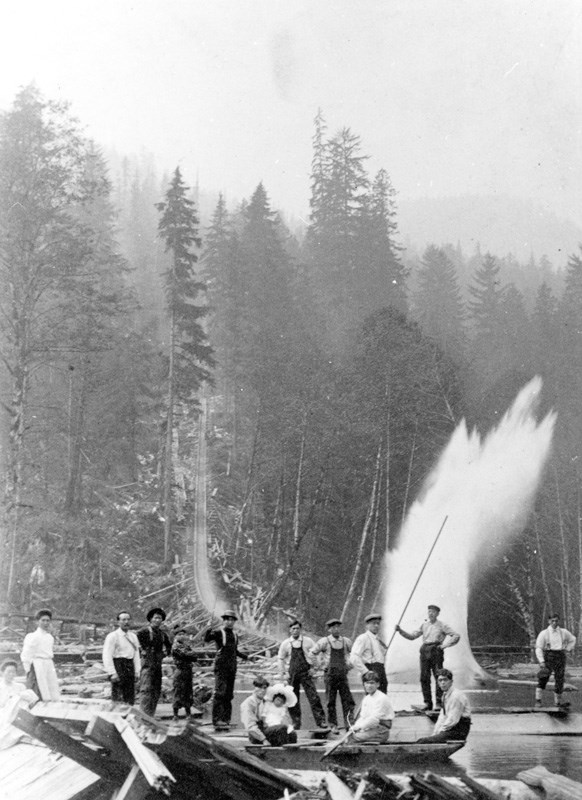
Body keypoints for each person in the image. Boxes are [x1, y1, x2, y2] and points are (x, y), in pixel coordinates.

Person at [395, 604, 460, 710]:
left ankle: (439, 703)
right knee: (424, 677)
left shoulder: (442, 625)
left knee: (438, 676)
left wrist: (444, 646)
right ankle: (427, 703)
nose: (431, 613)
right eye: (429, 611)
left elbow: (456, 636)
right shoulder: (424, 625)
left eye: (433, 611)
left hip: (436, 651)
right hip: (424, 650)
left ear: (438, 613)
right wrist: (400, 631)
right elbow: (412, 636)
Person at [277, 619, 327, 730]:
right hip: (292, 674)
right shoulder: (285, 644)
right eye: (293, 628)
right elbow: (280, 659)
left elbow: (317, 654)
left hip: (306, 673)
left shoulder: (308, 641)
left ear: (300, 630)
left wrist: (315, 668)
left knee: (314, 697)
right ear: (290, 630)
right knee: (292, 699)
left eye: (297, 628)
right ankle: (296, 723)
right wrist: (283, 674)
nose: (295, 631)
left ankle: (321, 722)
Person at [204, 610, 248, 731]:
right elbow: (207, 639)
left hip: (232, 667)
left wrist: (244, 656)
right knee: (220, 693)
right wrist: (208, 628)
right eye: (227, 619)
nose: (229, 622)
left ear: (234, 622)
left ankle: (226, 719)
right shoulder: (219, 632)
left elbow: (234, 650)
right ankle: (217, 720)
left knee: (229, 694)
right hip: (221, 666)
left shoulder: (234, 635)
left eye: (232, 620)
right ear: (224, 621)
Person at [310, 618, 355, 733]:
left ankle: (349, 724)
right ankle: (333, 725)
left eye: (338, 627)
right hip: (330, 675)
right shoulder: (324, 641)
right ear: (329, 629)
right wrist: (320, 666)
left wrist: (350, 665)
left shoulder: (346, 641)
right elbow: (312, 653)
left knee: (347, 700)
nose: (336, 629)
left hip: (342, 675)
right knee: (330, 701)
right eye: (333, 627)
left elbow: (355, 654)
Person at [416, 668, 471, 743]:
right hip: (450, 729)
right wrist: (435, 733)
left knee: (423, 741)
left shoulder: (456, 696)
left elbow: (452, 720)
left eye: (445, 680)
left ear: (451, 682)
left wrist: (440, 732)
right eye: (440, 680)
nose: (443, 683)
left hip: (458, 731)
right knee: (423, 740)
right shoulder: (445, 695)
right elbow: (442, 717)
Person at [535, 612, 576, 707]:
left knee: (559, 679)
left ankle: (557, 703)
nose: (554, 623)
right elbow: (538, 648)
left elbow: (573, 639)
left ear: (559, 621)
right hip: (548, 656)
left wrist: (567, 649)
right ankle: (538, 701)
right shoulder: (544, 633)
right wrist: (541, 661)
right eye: (552, 621)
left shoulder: (564, 632)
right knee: (543, 677)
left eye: (556, 621)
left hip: (560, 656)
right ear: (549, 621)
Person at [137, 607, 172, 717]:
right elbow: (135, 641)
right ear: (150, 619)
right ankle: (143, 715)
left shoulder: (162, 634)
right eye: (156, 618)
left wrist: (164, 654)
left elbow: (169, 646)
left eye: (160, 618)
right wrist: (141, 651)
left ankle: (150, 715)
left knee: (156, 690)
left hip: (157, 663)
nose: (158, 620)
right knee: (146, 688)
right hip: (147, 663)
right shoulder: (144, 631)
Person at [20, 609, 61, 701]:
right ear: (37, 622)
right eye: (43, 620)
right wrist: (28, 669)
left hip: (48, 664)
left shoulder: (49, 637)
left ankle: (50, 705)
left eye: (47, 621)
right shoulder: (32, 636)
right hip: (37, 665)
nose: (45, 623)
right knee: (38, 688)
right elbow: (26, 654)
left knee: (51, 687)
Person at [102, 611, 141, 704]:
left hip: (129, 666)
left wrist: (137, 671)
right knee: (118, 696)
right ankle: (117, 717)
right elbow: (107, 655)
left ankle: (129, 715)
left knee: (130, 695)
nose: (126, 622)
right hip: (118, 666)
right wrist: (112, 672)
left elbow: (136, 654)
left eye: (128, 619)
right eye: (123, 620)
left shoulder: (133, 637)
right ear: (118, 622)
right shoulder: (112, 636)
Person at [351, 671, 394, 743]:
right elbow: (363, 717)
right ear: (364, 684)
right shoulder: (366, 698)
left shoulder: (381, 698)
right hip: (371, 727)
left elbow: (374, 719)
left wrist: (359, 727)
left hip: (381, 730)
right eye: (367, 683)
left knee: (354, 737)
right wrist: (355, 727)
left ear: (378, 684)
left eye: (372, 683)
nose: (369, 686)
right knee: (351, 735)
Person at [350, 612, 388, 694]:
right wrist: (365, 671)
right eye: (374, 623)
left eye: (378, 624)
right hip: (370, 670)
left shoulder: (377, 639)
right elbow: (353, 657)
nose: (376, 626)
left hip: (380, 670)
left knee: (382, 696)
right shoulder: (363, 638)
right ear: (367, 625)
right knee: (372, 698)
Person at [171, 628, 198, 720]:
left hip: (188, 671)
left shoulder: (186, 646)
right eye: (179, 634)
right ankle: (175, 715)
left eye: (183, 634)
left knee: (188, 692)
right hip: (180, 670)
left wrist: (190, 654)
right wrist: (190, 654)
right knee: (178, 691)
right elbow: (185, 654)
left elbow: (195, 656)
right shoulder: (175, 646)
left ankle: (188, 714)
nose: (182, 636)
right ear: (175, 636)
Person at [240, 675, 270, 744]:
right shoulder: (248, 703)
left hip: (265, 730)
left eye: (264, 688)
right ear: (254, 688)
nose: (262, 690)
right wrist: (264, 740)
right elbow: (250, 726)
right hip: (255, 735)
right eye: (259, 687)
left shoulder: (266, 702)